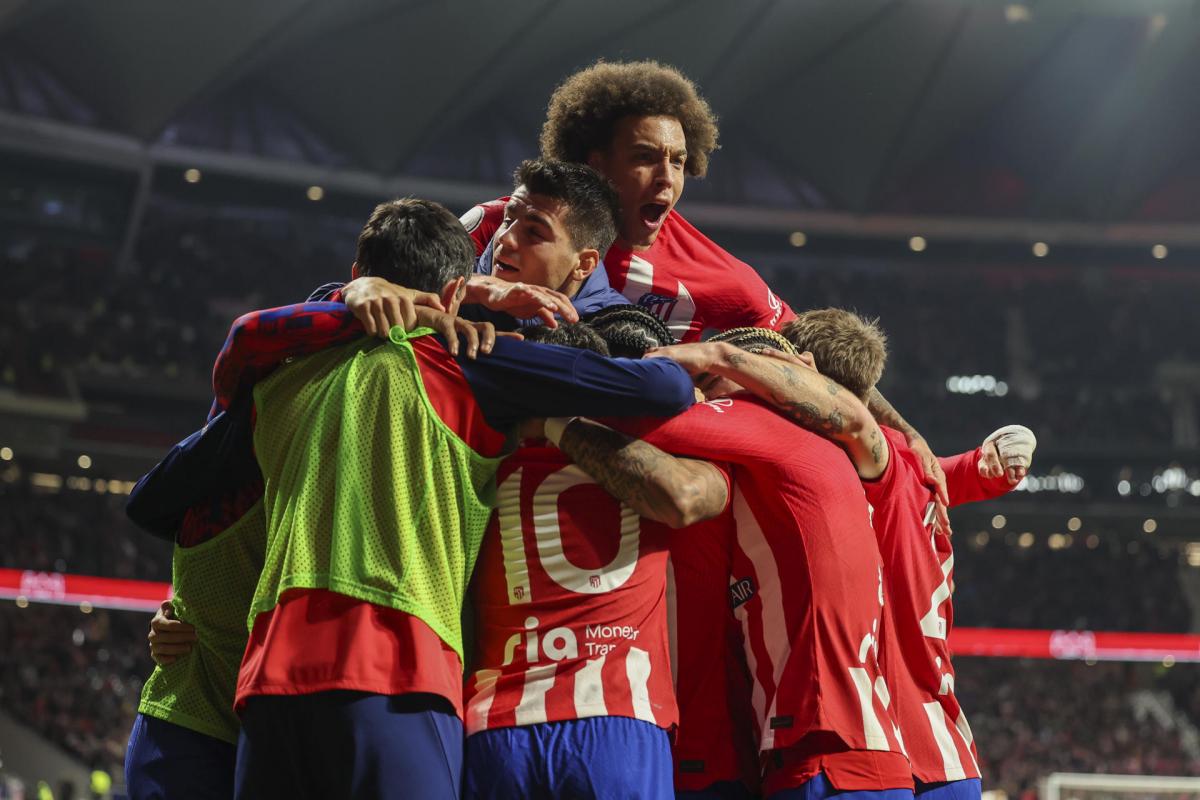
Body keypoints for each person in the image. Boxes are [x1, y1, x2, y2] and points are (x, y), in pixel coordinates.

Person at [125, 197, 697, 800]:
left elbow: (154, 496)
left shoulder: (278, 374)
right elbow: (664, 388)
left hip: (270, 684)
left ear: (358, 275)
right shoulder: (471, 359)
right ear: (456, 294)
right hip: (400, 673)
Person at [556, 328, 914, 800]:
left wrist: (535, 394)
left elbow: (638, 418)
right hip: (838, 749)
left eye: (703, 381)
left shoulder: (763, 420)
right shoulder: (837, 454)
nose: (696, 394)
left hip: (826, 755)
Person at [463, 314, 730, 798]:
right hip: (614, 724)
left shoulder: (477, 458)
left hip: (493, 727)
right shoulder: (656, 456)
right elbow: (689, 497)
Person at [780, 309, 1037, 800]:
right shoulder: (910, 460)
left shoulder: (833, 458)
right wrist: (980, 469)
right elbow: (938, 474)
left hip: (865, 746)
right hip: (942, 751)